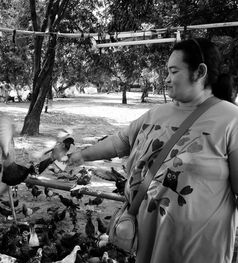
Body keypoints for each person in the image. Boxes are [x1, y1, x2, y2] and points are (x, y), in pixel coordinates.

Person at [68, 38, 238, 263]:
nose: (166, 79)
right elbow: (121, 142)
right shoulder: (156, 114)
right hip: (149, 242)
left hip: (198, 248)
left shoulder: (230, 119)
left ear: (200, 72)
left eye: (174, 71)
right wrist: (81, 155)